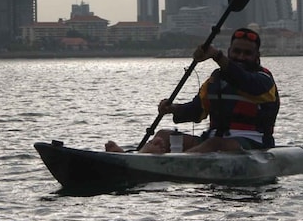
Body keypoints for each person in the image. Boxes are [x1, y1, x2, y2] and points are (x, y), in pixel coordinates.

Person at [105, 28, 280, 153]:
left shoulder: (264, 80)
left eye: (247, 53)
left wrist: (216, 56)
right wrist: (172, 109)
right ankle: (139, 156)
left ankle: (169, 164)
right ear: (230, 51)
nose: (241, 57)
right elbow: (196, 111)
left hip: (253, 143)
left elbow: (244, 81)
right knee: (164, 135)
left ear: (257, 57)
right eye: (236, 52)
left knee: (214, 144)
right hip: (212, 141)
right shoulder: (215, 80)